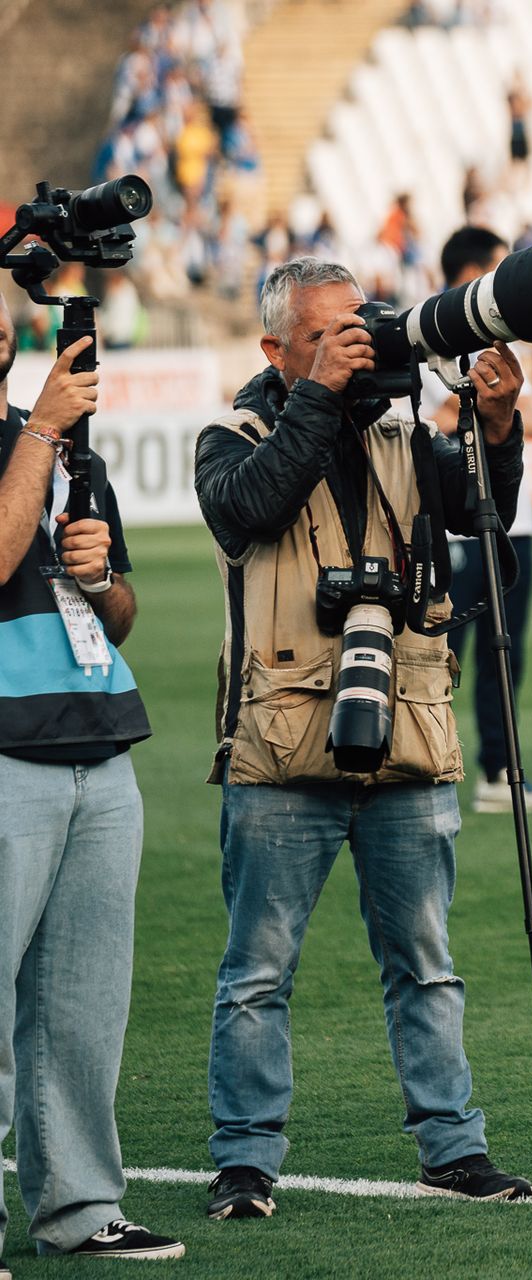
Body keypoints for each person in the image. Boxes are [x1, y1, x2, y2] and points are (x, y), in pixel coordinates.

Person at [194, 257, 532, 1221]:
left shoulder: (400, 433)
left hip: (408, 733)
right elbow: (249, 506)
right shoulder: (234, 433)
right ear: (276, 349)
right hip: (279, 743)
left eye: (363, 327)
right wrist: (323, 398)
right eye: (328, 335)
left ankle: (452, 1147)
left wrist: (496, 428)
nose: (359, 345)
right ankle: (245, 1162)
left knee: (426, 960)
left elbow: (486, 511)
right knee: (257, 972)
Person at [0, 300, 183, 1264]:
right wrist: (38, 427)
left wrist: (102, 572)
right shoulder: (39, 437)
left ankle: (78, 1210)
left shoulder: (70, 454)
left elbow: (118, 615)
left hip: (99, 740)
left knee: (82, 1010)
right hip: (4, 750)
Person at [427, 226, 532, 814]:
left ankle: (498, 770)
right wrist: (484, 402)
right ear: (466, 278)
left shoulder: (506, 342)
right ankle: (432, 757)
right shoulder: (432, 338)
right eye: (493, 276)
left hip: (513, 522)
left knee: (507, 652)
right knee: (445, 647)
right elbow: (433, 418)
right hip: (457, 525)